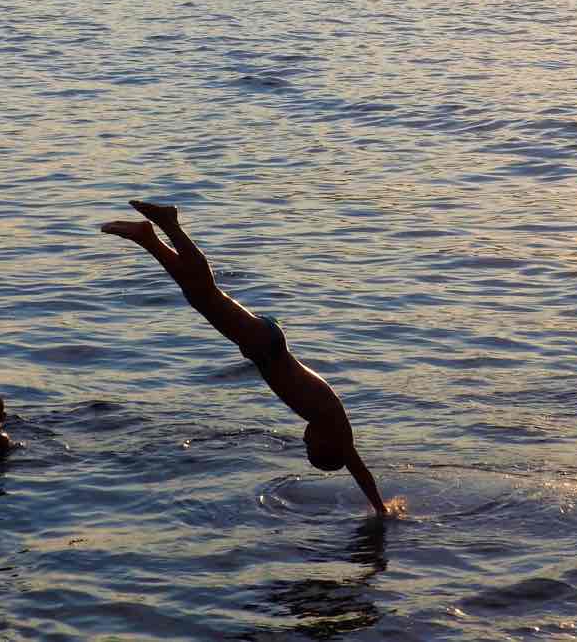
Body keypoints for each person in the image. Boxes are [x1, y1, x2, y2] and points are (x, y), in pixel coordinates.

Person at [101, 200, 389, 517]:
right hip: (266, 346)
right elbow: (357, 467)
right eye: (312, 447)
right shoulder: (332, 423)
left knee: (198, 295)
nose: (305, 441)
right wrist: (380, 509)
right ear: (329, 443)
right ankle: (169, 225)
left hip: (265, 346)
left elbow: (353, 464)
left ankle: (150, 238)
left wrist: (376, 504)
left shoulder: (328, 424)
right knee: (207, 295)